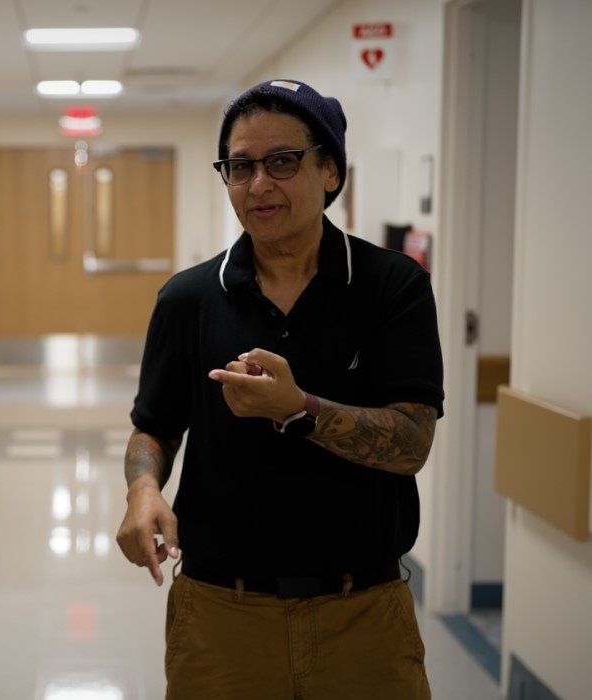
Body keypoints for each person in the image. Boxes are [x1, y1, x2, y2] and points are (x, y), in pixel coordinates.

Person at [116, 79, 443, 699]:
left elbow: (411, 443)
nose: (258, 184)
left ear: (329, 171)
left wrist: (300, 409)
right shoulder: (189, 299)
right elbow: (155, 426)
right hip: (220, 616)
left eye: (282, 161)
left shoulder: (391, 287)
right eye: (240, 167)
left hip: (364, 613)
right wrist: (142, 490)